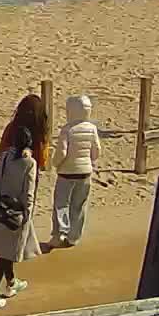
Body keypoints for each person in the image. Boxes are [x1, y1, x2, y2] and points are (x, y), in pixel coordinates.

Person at [0, 123, 41, 308]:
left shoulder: (4, 158)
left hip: (0, 208)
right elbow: (28, 193)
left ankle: (11, 282)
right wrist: (27, 216)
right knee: (4, 255)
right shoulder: (29, 163)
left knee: (4, 250)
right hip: (16, 213)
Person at [51, 94, 100, 247]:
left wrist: (55, 163)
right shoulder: (92, 129)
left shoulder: (67, 129)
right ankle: (73, 237)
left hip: (66, 172)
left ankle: (59, 235)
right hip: (85, 172)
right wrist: (90, 162)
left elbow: (62, 152)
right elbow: (97, 150)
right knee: (79, 205)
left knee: (61, 204)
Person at [0, 93, 51, 172]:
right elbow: (42, 160)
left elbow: (1, 150)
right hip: (30, 170)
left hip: (9, 170)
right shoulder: (40, 132)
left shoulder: (12, 127)